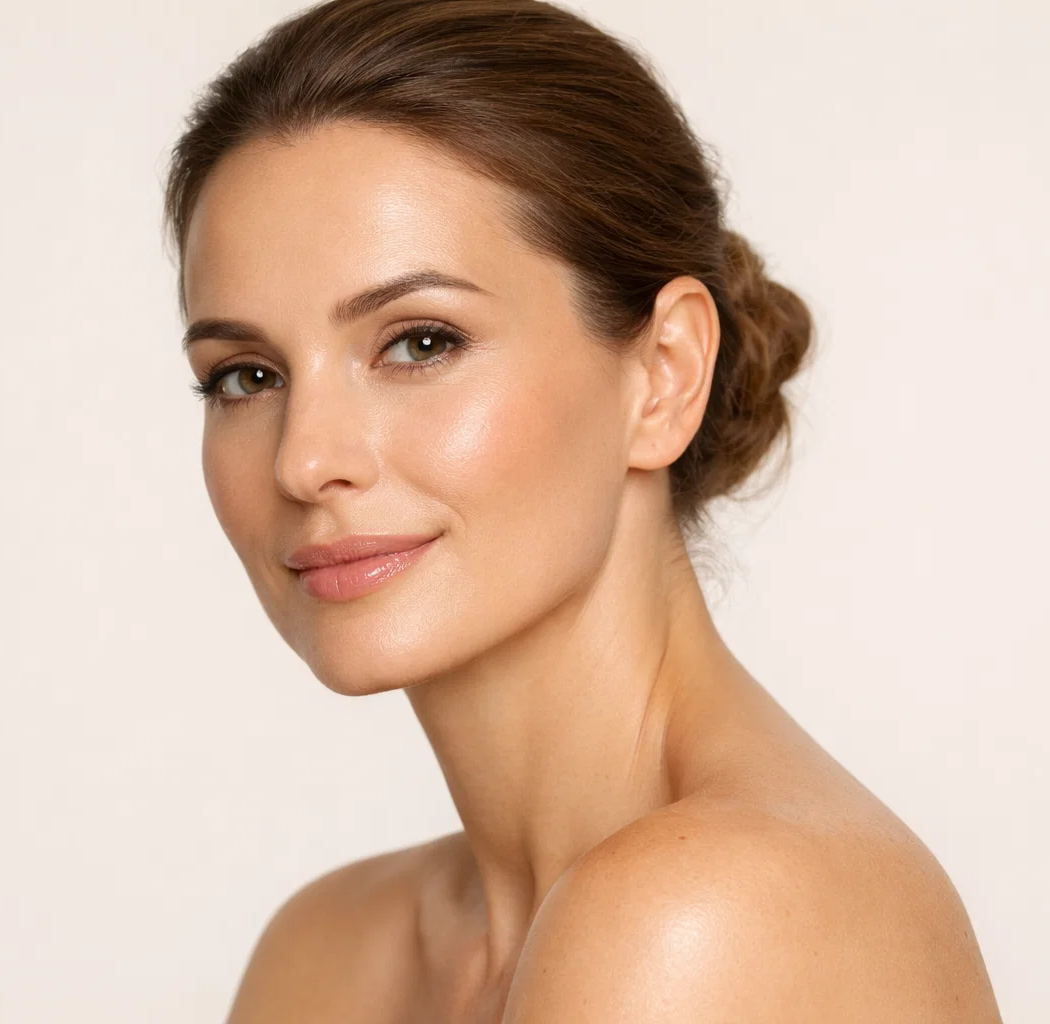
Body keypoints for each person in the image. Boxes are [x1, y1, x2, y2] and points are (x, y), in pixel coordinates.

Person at [165, 0, 1002, 1019]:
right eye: (246, 375)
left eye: (420, 342)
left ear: (662, 374)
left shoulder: (701, 922)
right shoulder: (328, 949)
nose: (305, 459)